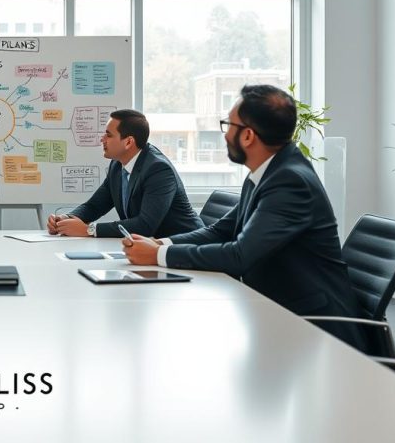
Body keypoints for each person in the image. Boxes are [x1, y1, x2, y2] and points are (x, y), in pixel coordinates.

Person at [121, 85, 367, 351]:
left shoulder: (289, 181)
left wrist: (158, 256)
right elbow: (220, 230)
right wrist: (161, 244)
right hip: (274, 312)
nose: (226, 134)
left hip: (314, 327)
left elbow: (240, 256)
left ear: (248, 135)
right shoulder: (267, 173)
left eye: (229, 125)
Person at [47, 109, 201, 238]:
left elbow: (145, 225)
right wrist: (66, 220)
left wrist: (89, 230)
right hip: (150, 246)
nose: (102, 139)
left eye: (109, 135)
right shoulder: (117, 164)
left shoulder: (159, 170)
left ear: (128, 142)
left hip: (184, 247)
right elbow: (95, 206)